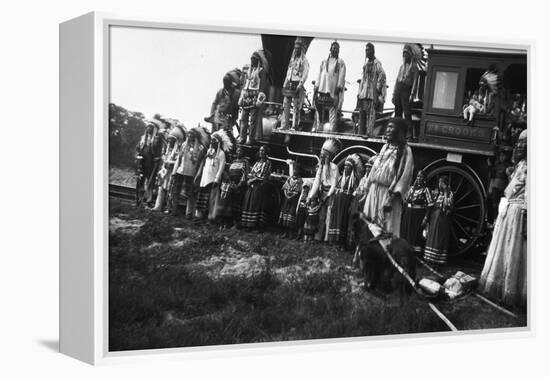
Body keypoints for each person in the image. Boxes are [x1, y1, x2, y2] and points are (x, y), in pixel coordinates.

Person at [479, 130, 527, 307]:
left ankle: (510, 289)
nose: (520, 145)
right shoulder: (520, 164)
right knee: (503, 249)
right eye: (519, 142)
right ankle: (499, 285)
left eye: (524, 143)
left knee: (514, 250)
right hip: (509, 208)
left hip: (518, 211)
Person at [362, 118, 414, 237]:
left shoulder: (406, 151)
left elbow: (405, 176)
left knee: (386, 227)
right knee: (369, 225)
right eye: (388, 127)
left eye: (391, 127)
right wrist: (367, 187)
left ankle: (382, 254)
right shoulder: (385, 147)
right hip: (374, 192)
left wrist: (392, 197)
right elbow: (375, 169)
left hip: (389, 196)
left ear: (399, 131)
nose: (388, 130)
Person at [169, 127, 209, 218]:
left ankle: (189, 213)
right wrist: (174, 172)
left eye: (192, 134)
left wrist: (197, 175)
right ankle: (174, 210)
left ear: (196, 136)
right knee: (176, 191)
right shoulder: (184, 145)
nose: (190, 135)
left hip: (191, 174)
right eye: (189, 134)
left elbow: (200, 162)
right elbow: (179, 159)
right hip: (181, 171)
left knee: (191, 193)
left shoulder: (200, 147)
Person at [307, 138, 341, 241]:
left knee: (329, 217)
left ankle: (327, 238)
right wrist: (310, 196)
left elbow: (334, 184)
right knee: (321, 217)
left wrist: (328, 195)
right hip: (323, 194)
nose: (321, 157)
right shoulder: (320, 167)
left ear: (328, 156)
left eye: (324, 156)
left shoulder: (334, 167)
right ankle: (318, 237)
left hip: (331, 194)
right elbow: (317, 182)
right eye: (321, 155)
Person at [326, 154, 363, 244]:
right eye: (345, 166)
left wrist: (353, 198)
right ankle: (333, 239)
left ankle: (341, 241)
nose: (346, 168)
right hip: (338, 202)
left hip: (346, 202)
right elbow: (336, 188)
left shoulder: (353, 179)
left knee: (343, 220)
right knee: (336, 219)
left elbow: (355, 191)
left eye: (348, 167)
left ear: (351, 169)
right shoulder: (339, 179)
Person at [313, 41, 346, 132]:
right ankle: (317, 128)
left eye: (337, 48)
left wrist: (339, 87)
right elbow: (319, 74)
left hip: (333, 90)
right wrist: (316, 86)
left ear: (339, 50)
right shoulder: (324, 61)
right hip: (322, 89)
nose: (335, 50)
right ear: (330, 49)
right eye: (334, 48)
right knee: (319, 110)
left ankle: (331, 131)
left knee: (332, 111)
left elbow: (342, 76)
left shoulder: (340, 62)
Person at [152, 124, 186, 212]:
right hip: (165, 172)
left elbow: (179, 161)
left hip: (172, 173)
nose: (170, 142)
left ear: (175, 141)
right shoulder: (167, 149)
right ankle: (158, 206)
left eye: (172, 140)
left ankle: (169, 208)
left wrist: (170, 163)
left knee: (170, 190)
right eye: (169, 140)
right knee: (161, 188)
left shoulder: (178, 150)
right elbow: (164, 159)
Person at [238, 50, 270, 145]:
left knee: (253, 121)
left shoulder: (261, 71)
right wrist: (241, 97)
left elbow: (263, 86)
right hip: (246, 97)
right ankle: (242, 137)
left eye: (254, 59)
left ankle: (251, 138)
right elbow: (245, 85)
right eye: (251, 59)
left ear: (258, 60)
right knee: (243, 119)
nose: (252, 61)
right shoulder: (248, 71)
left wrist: (259, 99)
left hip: (255, 98)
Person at [215, 144, 250, 229]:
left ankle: (236, 223)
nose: (238, 152)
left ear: (243, 153)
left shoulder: (245, 162)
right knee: (227, 205)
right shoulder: (233, 161)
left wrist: (239, 184)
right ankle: (225, 223)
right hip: (230, 185)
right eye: (237, 151)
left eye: (240, 151)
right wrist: (229, 182)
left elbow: (245, 174)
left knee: (236, 205)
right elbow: (229, 173)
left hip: (238, 186)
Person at [279, 37, 309, 130]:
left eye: (298, 48)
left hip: (297, 84)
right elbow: (288, 72)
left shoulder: (304, 60)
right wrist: (284, 84)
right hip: (289, 83)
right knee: (285, 104)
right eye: (295, 48)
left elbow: (305, 73)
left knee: (296, 105)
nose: (296, 49)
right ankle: (284, 125)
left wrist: (300, 84)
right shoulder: (292, 59)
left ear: (301, 49)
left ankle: (294, 126)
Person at [400, 170, 433, 255]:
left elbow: (430, 205)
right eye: (418, 176)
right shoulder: (411, 189)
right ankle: (405, 252)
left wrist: (426, 218)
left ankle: (415, 255)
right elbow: (406, 201)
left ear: (424, 179)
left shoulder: (426, 190)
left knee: (416, 235)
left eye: (421, 177)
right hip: (408, 214)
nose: (419, 178)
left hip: (418, 216)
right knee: (407, 232)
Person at [357, 43, 386, 137]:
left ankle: (368, 134)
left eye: (368, 50)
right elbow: (363, 79)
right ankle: (360, 133)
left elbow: (382, 75)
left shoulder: (377, 63)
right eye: (366, 50)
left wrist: (377, 88)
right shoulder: (366, 64)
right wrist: (360, 92)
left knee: (371, 115)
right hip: (364, 93)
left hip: (372, 94)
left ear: (373, 51)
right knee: (362, 113)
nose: (367, 52)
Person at [423, 176, 454, 265]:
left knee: (439, 237)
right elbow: (431, 204)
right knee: (432, 236)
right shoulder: (436, 193)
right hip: (435, 216)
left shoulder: (449, 194)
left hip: (442, 218)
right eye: (439, 182)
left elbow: (447, 204)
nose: (440, 184)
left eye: (442, 183)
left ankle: (437, 260)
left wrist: (445, 192)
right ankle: (429, 258)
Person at [241, 145, 272, 230]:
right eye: (260, 150)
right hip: (252, 185)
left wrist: (252, 180)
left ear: (266, 153)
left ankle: (254, 225)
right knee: (248, 203)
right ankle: (247, 224)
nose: (261, 152)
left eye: (263, 150)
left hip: (259, 186)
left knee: (255, 205)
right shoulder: (257, 162)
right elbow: (252, 172)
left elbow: (263, 176)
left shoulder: (267, 163)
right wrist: (249, 178)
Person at [135, 119, 163, 207]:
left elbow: (158, 152)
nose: (149, 129)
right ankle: (138, 199)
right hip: (142, 162)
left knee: (150, 182)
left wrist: (157, 159)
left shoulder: (157, 139)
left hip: (151, 163)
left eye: (151, 128)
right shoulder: (143, 139)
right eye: (147, 128)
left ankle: (149, 200)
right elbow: (138, 148)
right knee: (140, 181)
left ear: (153, 129)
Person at [392, 44, 419, 137]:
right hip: (399, 88)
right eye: (403, 53)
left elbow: (415, 82)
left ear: (410, 54)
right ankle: (397, 132)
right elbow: (396, 80)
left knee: (407, 112)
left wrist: (412, 94)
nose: (404, 55)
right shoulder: (401, 67)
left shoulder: (414, 67)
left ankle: (409, 133)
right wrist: (394, 93)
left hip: (406, 90)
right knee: (397, 111)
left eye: (406, 53)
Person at [278, 162, 303, 238]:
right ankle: (285, 232)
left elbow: (298, 191)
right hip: (287, 199)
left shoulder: (299, 181)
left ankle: (291, 233)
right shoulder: (289, 178)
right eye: (294, 169)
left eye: (296, 170)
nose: (295, 171)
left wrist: (291, 197)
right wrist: (286, 195)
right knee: (285, 214)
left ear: (299, 171)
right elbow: (285, 188)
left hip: (293, 201)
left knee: (291, 215)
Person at [487, 150, 512, 225]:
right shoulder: (496, 166)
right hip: (495, 187)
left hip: (503, 188)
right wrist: (490, 188)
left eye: (503, 156)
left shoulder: (508, 166)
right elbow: (492, 176)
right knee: (494, 204)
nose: (502, 157)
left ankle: (499, 220)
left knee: (501, 204)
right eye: (501, 156)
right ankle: (494, 220)